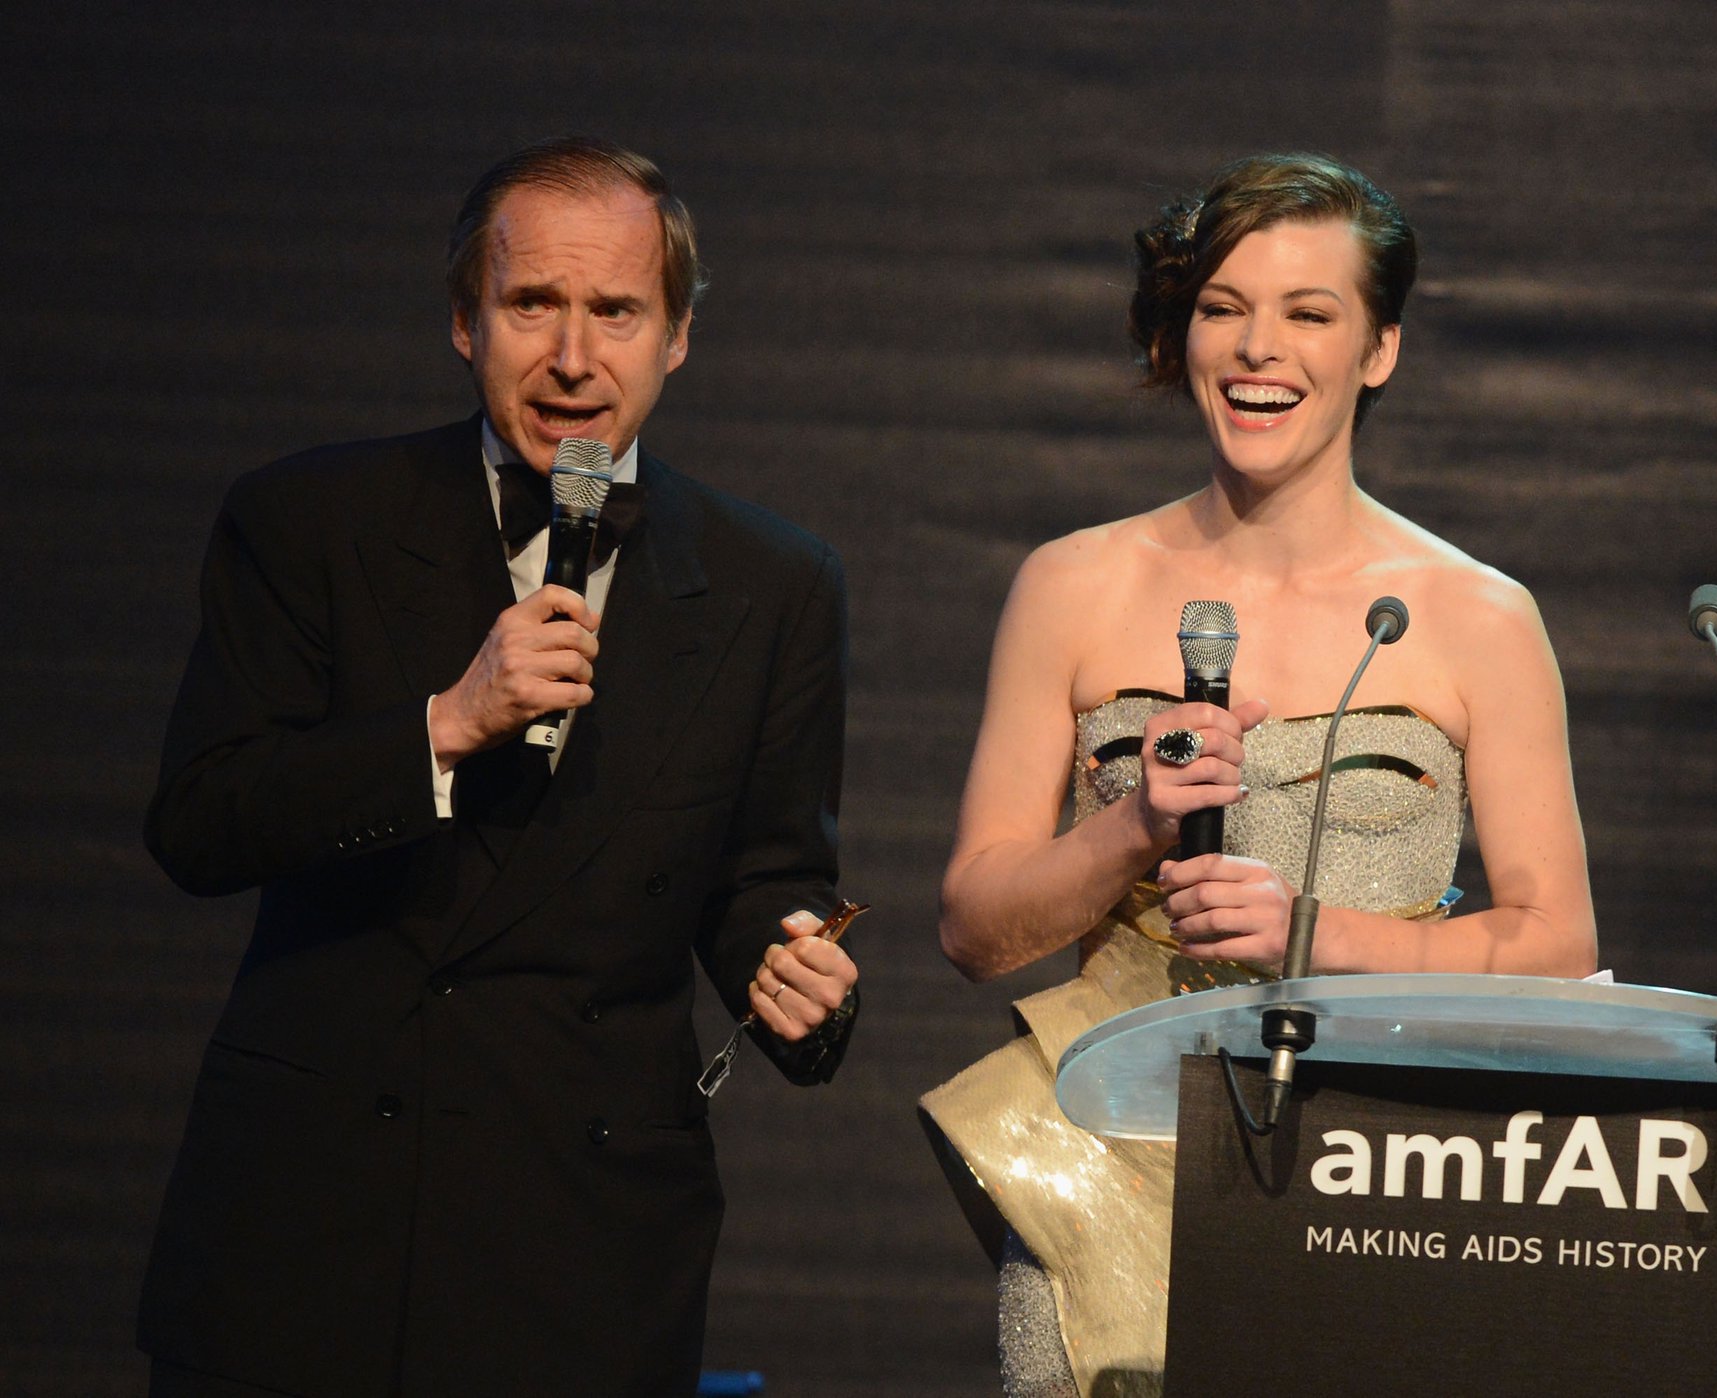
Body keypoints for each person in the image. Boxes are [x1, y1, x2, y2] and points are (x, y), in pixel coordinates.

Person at [138, 137, 861, 1398]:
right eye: (533, 304)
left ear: (677, 336)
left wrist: (792, 965)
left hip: (583, 1231)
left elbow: (767, 873)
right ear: (465, 322)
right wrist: (443, 724)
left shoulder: (775, 582)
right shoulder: (309, 521)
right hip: (318, 1218)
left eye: (616, 311)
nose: (573, 357)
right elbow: (201, 821)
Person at [921, 153, 1596, 1396]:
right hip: (1104, 1153)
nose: (1257, 348)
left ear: (1379, 350)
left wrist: (1318, 934)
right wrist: (1134, 824)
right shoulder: (1072, 586)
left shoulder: (1480, 617)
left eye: (1308, 313)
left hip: (1385, 1170)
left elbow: (1556, 944)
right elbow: (975, 927)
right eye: (1223, 307)